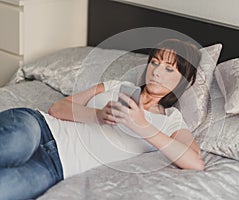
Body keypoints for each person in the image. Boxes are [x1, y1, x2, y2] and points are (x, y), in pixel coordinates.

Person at [0, 39, 204, 200]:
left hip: (56, 167)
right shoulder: (115, 87)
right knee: (15, 146)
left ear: (183, 80)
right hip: (42, 127)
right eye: (154, 62)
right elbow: (57, 108)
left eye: (169, 68)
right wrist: (98, 115)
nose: (157, 72)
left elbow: (195, 162)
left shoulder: (171, 120)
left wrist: (143, 126)